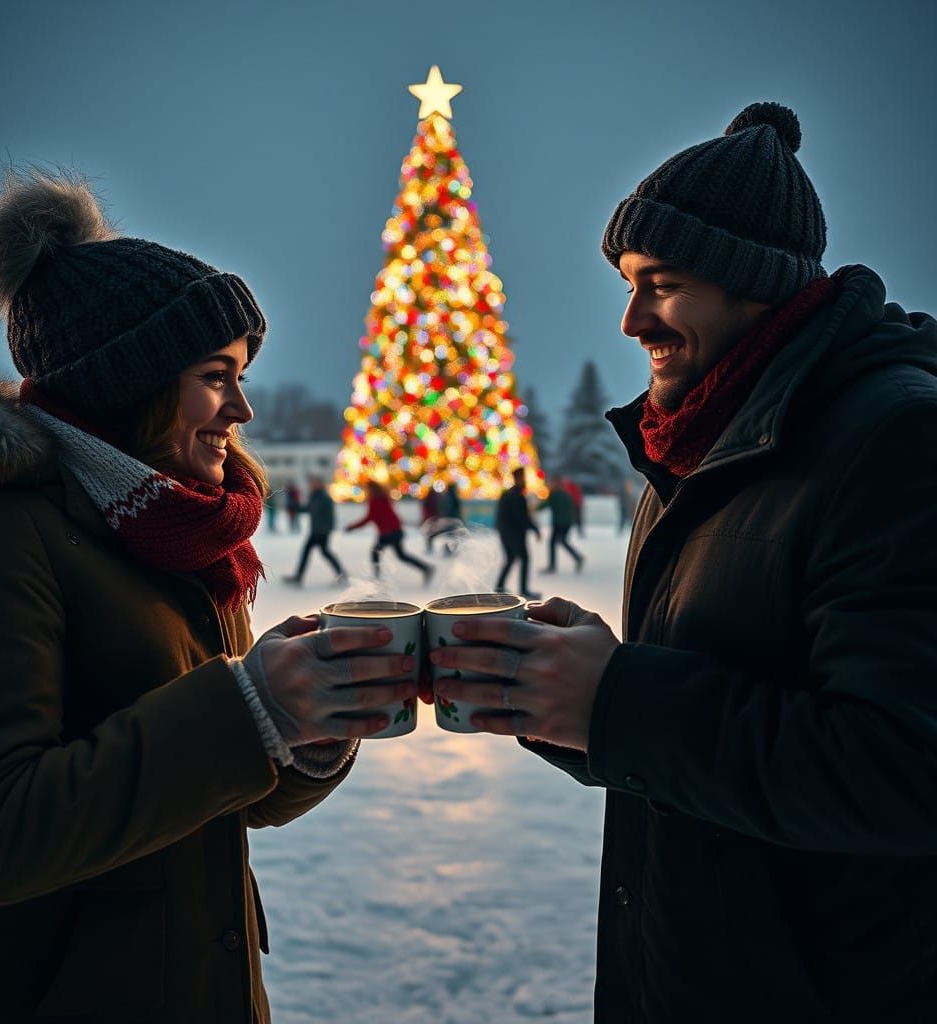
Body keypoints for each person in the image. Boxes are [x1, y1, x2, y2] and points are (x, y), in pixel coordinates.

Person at [427, 102, 937, 1022]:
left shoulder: (897, 438)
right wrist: (568, 695)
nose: (630, 319)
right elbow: (725, 699)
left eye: (659, 283)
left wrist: (617, 697)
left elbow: (904, 766)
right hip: (687, 969)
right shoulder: (704, 438)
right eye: (628, 282)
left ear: (753, 284)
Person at [0, 168, 419, 1023]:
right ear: (132, 384)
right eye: (217, 376)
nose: (243, 410)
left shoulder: (181, 534)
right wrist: (250, 702)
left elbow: (228, 790)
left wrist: (314, 727)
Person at [345, 479, 433, 583]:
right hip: (394, 531)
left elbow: (369, 517)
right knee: (400, 555)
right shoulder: (383, 497)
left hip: (389, 533)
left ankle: (376, 578)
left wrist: (352, 527)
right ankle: (425, 568)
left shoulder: (375, 500)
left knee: (376, 553)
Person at [283, 475, 347, 585]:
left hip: (321, 531)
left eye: (313, 483)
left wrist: (325, 530)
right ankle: (341, 573)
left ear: (319, 484)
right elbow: (308, 509)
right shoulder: (315, 496)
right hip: (316, 531)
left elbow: (330, 516)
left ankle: (341, 574)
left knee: (319, 551)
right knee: (321, 552)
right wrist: (295, 507)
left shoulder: (324, 497)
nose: (311, 485)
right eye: (311, 483)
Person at [493, 467, 541, 599]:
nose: (525, 480)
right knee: (524, 559)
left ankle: (499, 587)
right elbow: (522, 517)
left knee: (510, 559)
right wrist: (535, 529)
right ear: (518, 478)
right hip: (514, 534)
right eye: (523, 477)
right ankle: (523, 590)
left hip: (506, 533)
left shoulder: (509, 493)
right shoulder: (516, 495)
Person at [537, 476, 584, 574]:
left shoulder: (554, 495)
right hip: (567, 522)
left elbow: (543, 506)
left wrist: (532, 508)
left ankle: (554, 565)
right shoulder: (566, 494)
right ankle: (577, 557)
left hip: (559, 523)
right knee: (561, 541)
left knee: (555, 542)